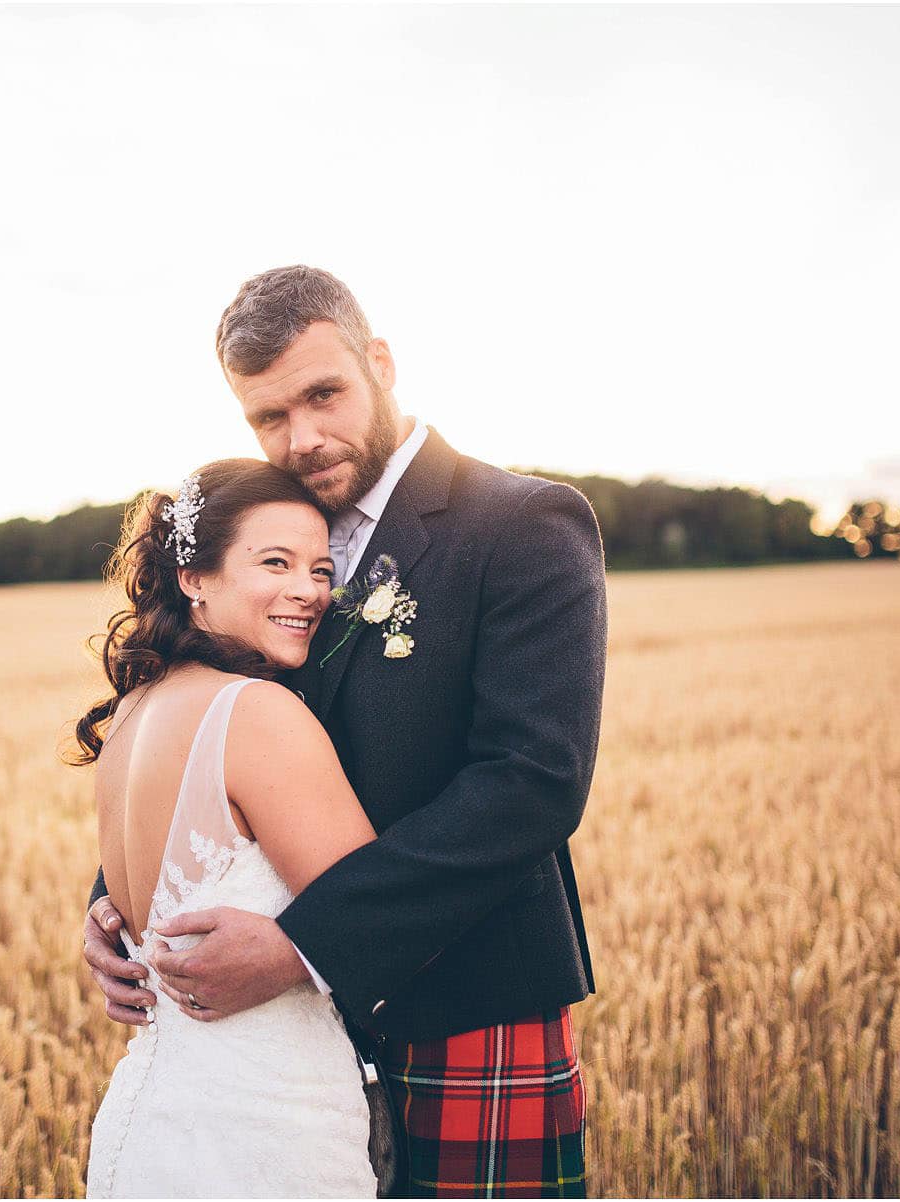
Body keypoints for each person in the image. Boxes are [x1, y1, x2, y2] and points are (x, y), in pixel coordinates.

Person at [82, 266, 608, 1198]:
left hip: (466, 1009)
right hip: (284, 1049)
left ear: (380, 363)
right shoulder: (269, 534)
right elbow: (213, 728)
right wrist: (129, 907)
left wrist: (303, 944)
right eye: (269, 418)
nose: (303, 438)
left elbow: (532, 780)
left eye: (323, 395)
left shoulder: (522, 524)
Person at [73, 457, 381, 1197]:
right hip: (266, 1124)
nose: (308, 591)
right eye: (274, 562)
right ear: (194, 578)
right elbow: (374, 915)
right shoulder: (259, 713)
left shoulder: (132, 713)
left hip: (154, 1119)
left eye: (319, 567)